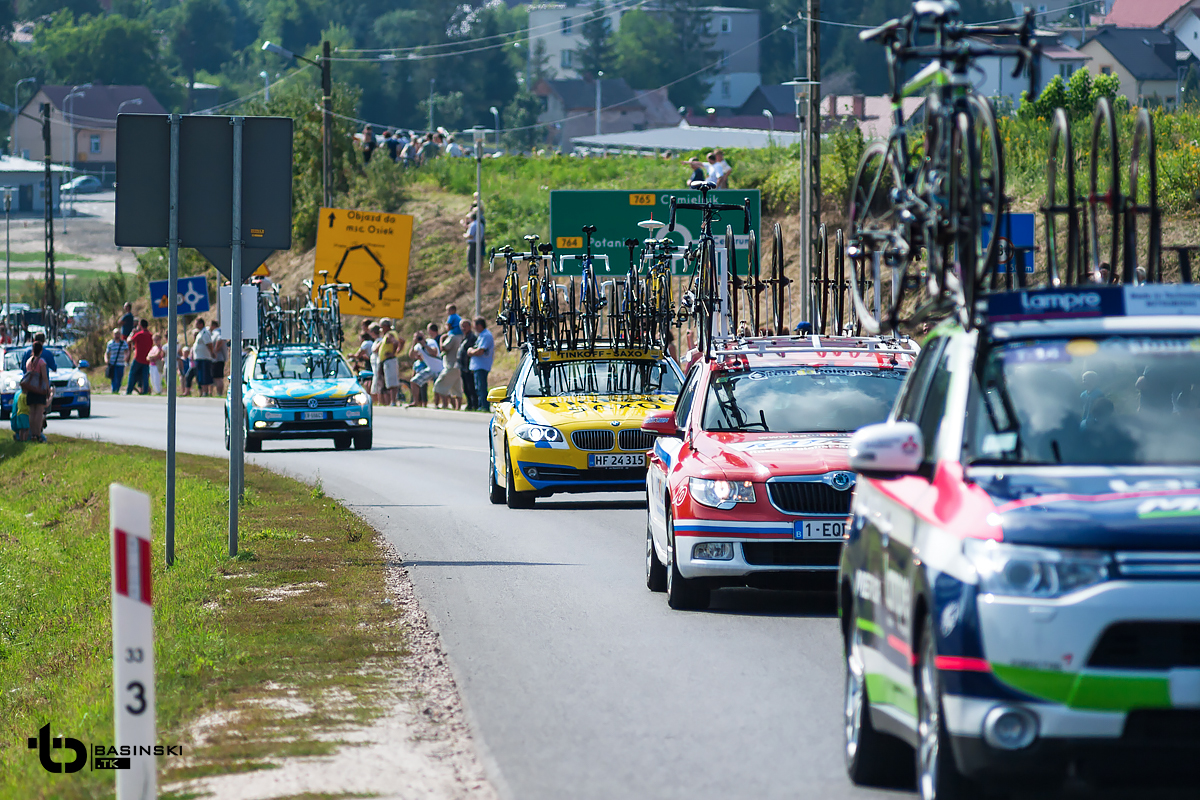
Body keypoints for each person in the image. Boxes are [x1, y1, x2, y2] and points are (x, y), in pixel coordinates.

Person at [22, 339, 50, 442]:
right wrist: (47, 388)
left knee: (32, 412)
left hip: (30, 388)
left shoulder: (28, 361)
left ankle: (32, 433)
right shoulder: (42, 362)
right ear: (41, 350)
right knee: (39, 412)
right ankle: (37, 434)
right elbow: (44, 377)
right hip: (39, 389)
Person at [467, 316, 494, 407]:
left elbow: (480, 351)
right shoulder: (481, 335)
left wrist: (471, 351)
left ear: (479, 325)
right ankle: (480, 405)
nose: (474, 328)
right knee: (478, 387)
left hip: (482, 366)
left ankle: (484, 406)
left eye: (474, 325)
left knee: (481, 387)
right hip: (478, 366)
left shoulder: (486, 335)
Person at [126, 318, 154, 395]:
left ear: (140, 325)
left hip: (138, 358)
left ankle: (129, 390)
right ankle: (145, 391)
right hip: (146, 359)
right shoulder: (150, 335)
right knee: (145, 376)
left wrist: (132, 333)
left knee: (132, 374)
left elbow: (129, 341)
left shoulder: (139, 334)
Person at [378, 318, 402, 406]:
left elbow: (395, 342)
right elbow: (401, 341)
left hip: (389, 360)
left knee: (391, 382)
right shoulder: (392, 333)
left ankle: (393, 401)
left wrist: (393, 353)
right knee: (389, 381)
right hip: (387, 361)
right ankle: (390, 401)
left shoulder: (389, 334)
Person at [191, 317, 214, 397]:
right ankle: (201, 392)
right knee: (200, 376)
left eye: (197, 323)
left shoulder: (205, 333)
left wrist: (212, 352)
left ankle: (205, 392)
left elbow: (209, 344)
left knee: (204, 376)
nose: (195, 325)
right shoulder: (200, 333)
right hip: (199, 358)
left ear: (201, 324)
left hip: (204, 358)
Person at [457, 322, 477, 410]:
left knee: (471, 386)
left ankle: (475, 404)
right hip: (463, 367)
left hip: (469, 367)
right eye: (462, 326)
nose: (463, 328)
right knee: (465, 387)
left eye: (465, 326)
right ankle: (470, 403)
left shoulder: (472, 337)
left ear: (470, 326)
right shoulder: (464, 337)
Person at [105, 329, 129, 394]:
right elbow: (107, 353)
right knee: (114, 378)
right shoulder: (110, 343)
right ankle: (114, 390)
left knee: (119, 377)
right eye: (115, 334)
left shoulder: (123, 343)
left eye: (118, 333)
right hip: (113, 363)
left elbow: (127, 351)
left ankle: (117, 389)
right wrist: (106, 359)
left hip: (121, 363)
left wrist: (126, 357)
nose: (117, 335)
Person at [209, 319, 226, 396]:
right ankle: (219, 393)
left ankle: (219, 393)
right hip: (220, 359)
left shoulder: (217, 332)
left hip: (217, 359)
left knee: (217, 378)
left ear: (213, 325)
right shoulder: (220, 332)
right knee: (218, 377)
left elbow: (220, 339)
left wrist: (215, 350)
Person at [464, 211, 482, 277]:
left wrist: (465, 235)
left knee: (470, 261)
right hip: (479, 243)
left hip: (472, 243)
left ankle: (473, 275)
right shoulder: (480, 224)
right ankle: (477, 274)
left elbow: (470, 235)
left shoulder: (473, 225)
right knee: (476, 260)